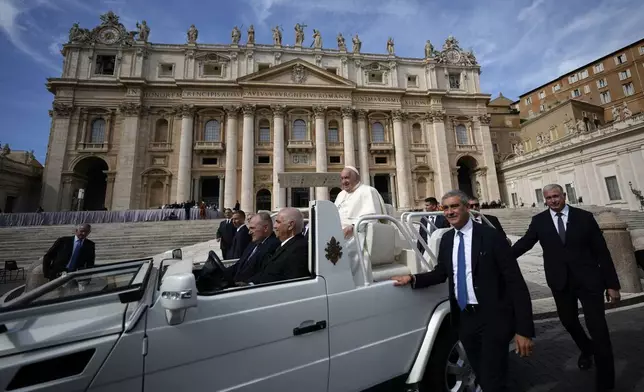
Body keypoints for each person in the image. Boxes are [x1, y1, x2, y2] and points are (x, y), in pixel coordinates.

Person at [391, 190, 534, 391]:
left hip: (493, 318)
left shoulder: (491, 236)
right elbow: (441, 273)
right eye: (446, 208)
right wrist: (413, 278)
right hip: (465, 319)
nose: (450, 212)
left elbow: (515, 283)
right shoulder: (447, 240)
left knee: (494, 378)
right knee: (481, 375)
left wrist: (524, 330)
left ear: (467, 207)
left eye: (454, 206)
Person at [512, 184, 620, 392]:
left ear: (564, 196)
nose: (553, 200)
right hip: (560, 283)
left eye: (556, 196)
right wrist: (501, 257)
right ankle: (587, 348)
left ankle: (606, 383)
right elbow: (524, 243)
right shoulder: (539, 221)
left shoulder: (584, 217)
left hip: (589, 282)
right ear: (545, 200)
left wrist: (612, 285)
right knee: (568, 321)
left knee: (599, 330)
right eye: (549, 198)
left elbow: (602, 252)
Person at [247, 208, 309, 284]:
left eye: (278, 222)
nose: (274, 226)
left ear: (290, 225)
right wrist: (249, 283)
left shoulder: (299, 250)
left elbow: (290, 284)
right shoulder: (286, 245)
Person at [224, 212, 280, 283]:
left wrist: (245, 284)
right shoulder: (253, 243)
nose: (249, 232)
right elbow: (240, 264)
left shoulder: (274, 246)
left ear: (265, 228)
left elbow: (263, 274)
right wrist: (222, 272)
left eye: (252, 228)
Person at [334, 166, 386, 239]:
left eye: (346, 178)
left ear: (357, 178)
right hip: (337, 232)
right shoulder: (341, 194)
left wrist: (353, 226)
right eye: (342, 178)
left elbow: (372, 217)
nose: (343, 182)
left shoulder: (368, 191)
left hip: (358, 234)